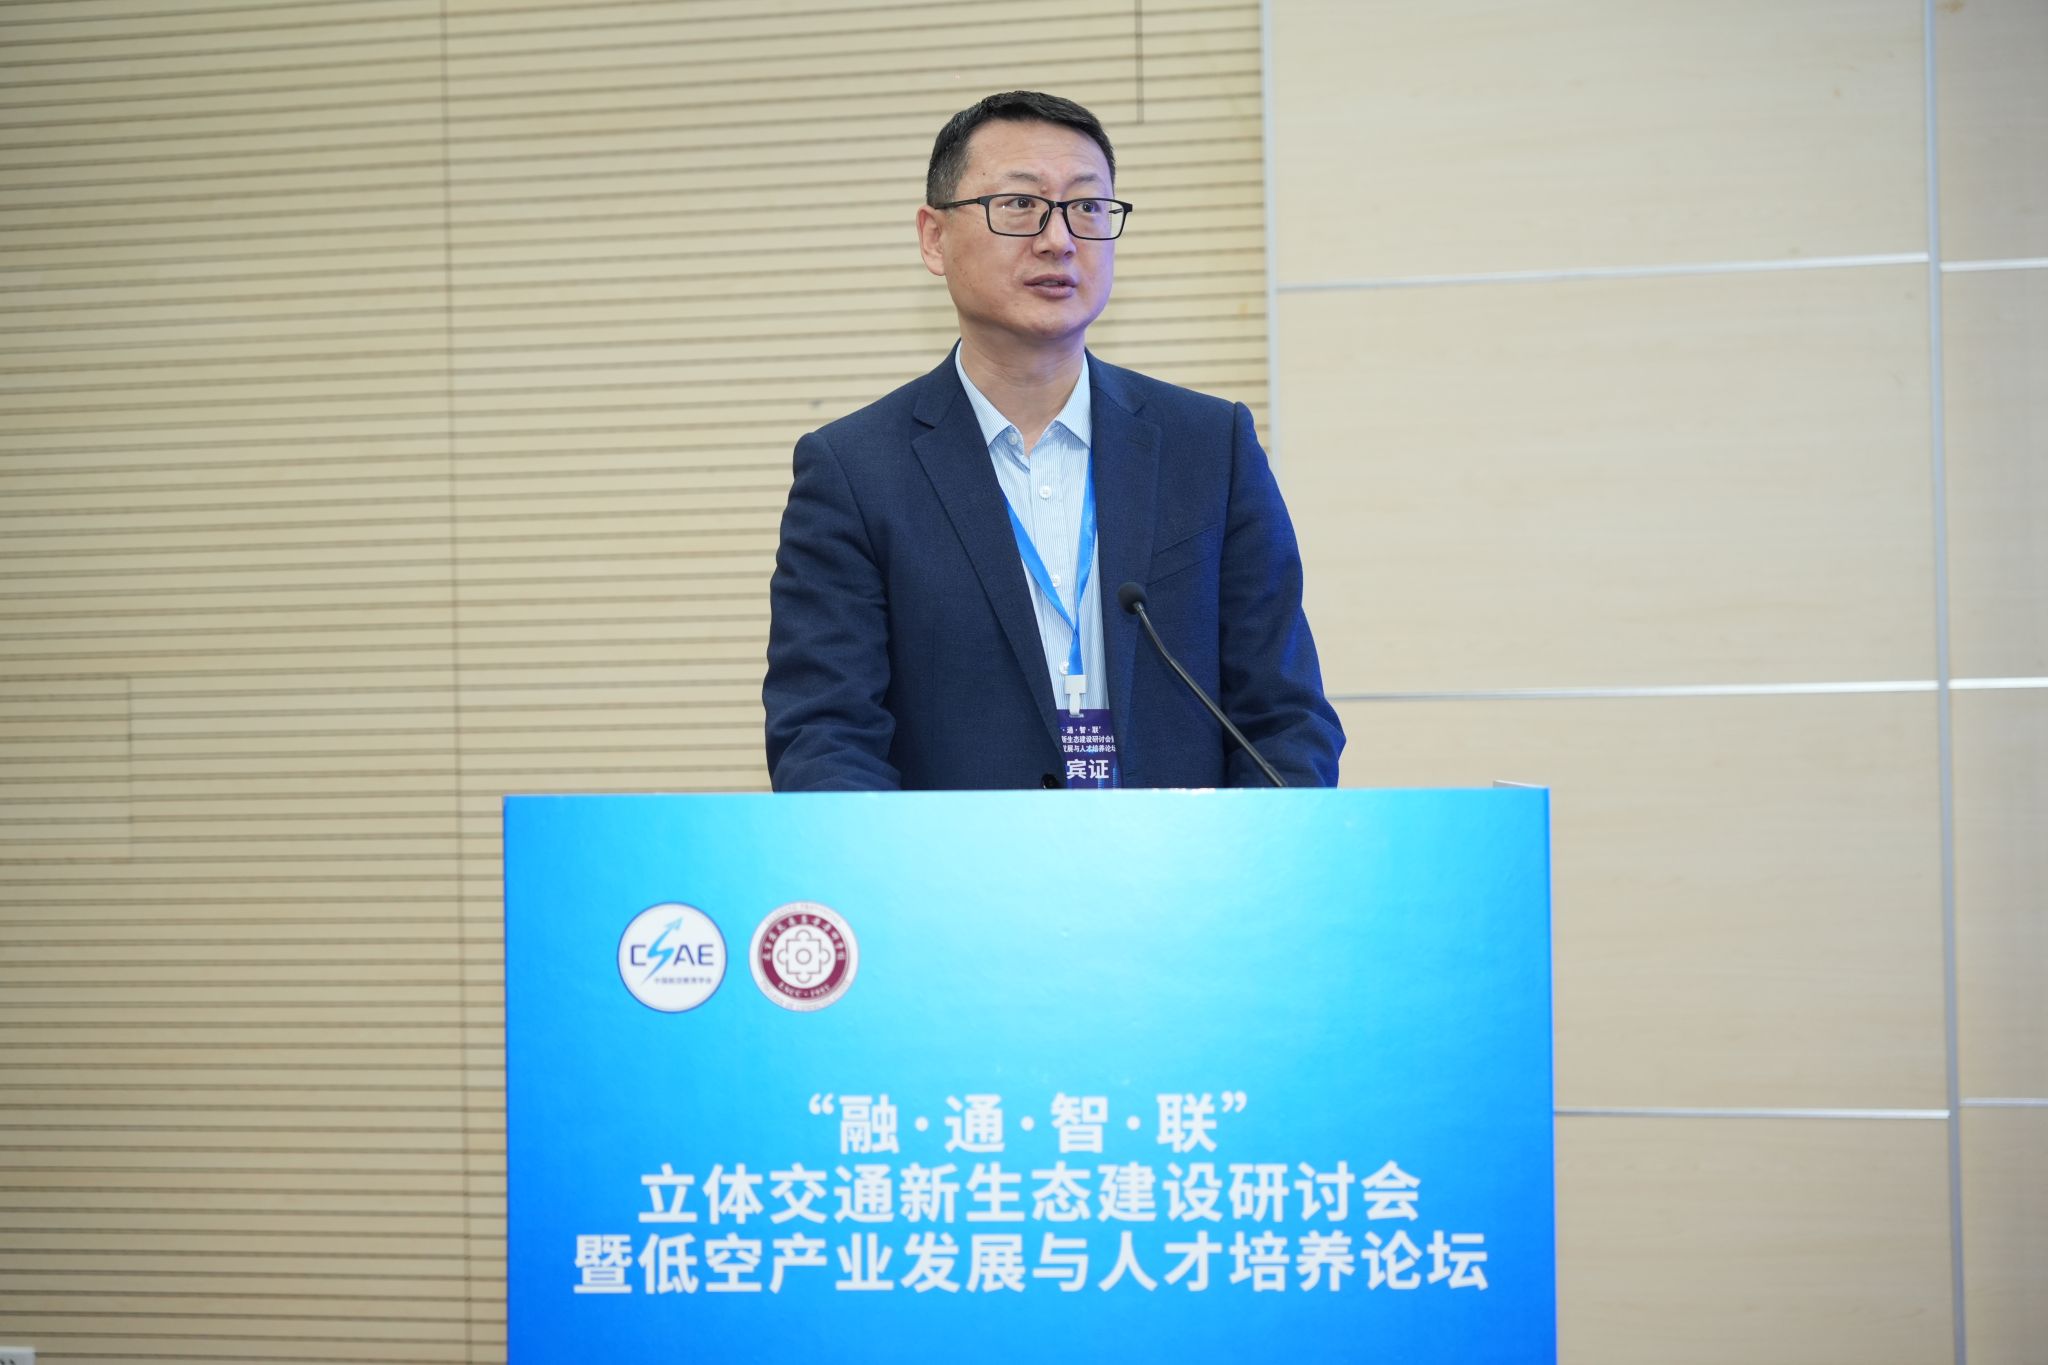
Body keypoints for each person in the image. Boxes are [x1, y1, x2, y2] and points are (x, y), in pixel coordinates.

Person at [764, 90, 1342, 791]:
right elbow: (825, 738)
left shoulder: (1211, 447)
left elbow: (1284, 719)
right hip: (958, 862)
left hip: (1184, 860)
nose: (1059, 239)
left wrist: (1247, 857)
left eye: (1087, 206)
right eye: (1020, 204)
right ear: (934, 238)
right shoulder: (855, 472)